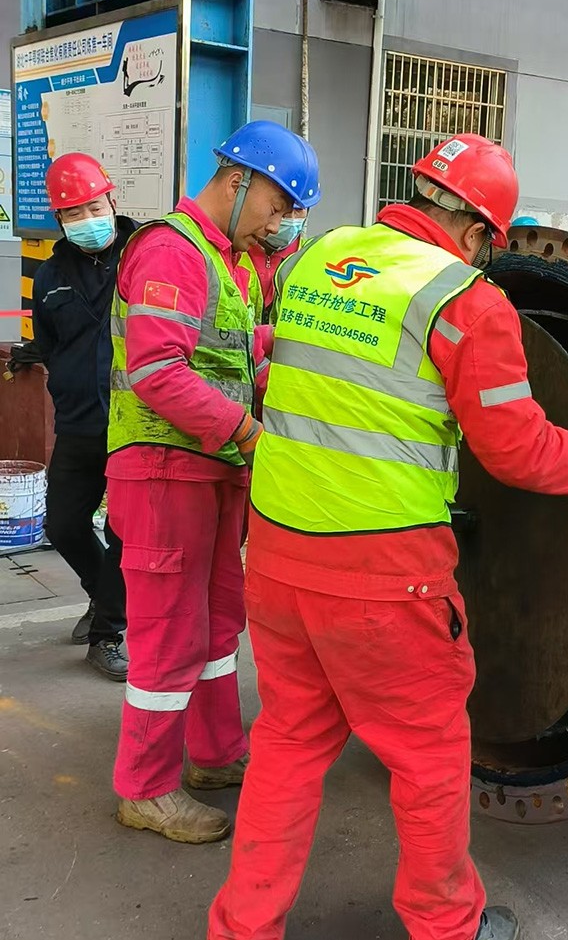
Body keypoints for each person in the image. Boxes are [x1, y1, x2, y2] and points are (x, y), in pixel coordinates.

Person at [208, 133, 568, 940]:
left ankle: (242, 927)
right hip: (385, 578)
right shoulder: (464, 300)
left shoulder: (320, 257)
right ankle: (447, 925)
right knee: (428, 757)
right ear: (475, 232)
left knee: (288, 746)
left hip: (278, 557)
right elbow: (516, 449)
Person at [106, 120, 321, 844]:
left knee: (218, 624)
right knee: (169, 635)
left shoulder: (231, 262)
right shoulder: (173, 249)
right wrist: (250, 434)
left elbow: (230, 354)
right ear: (237, 181)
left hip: (211, 470)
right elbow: (158, 371)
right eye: (278, 205)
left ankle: (216, 753)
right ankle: (145, 789)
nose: (280, 223)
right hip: (164, 470)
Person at [32, 153, 133, 681]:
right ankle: (101, 594)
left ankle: (107, 634)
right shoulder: (49, 276)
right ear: (61, 220)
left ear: (112, 201)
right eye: (74, 214)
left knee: (123, 532)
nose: (87, 220)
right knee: (63, 524)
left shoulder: (144, 255)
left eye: (94, 207)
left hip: (135, 420)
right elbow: (48, 343)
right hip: (78, 422)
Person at [239, 207, 308, 323]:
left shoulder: (311, 259)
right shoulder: (231, 250)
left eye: (299, 209)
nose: (291, 218)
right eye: (282, 207)